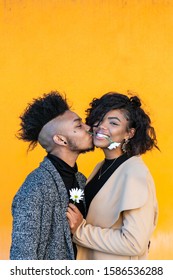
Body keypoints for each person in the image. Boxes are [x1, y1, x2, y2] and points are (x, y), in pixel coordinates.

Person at [67, 91, 159, 260]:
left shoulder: (134, 173)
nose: (102, 127)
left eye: (113, 123)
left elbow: (134, 243)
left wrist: (81, 230)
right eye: (99, 120)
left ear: (129, 133)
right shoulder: (101, 167)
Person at [10, 91, 93, 260]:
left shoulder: (82, 180)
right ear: (61, 140)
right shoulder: (34, 188)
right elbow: (21, 259)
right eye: (79, 126)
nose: (88, 127)